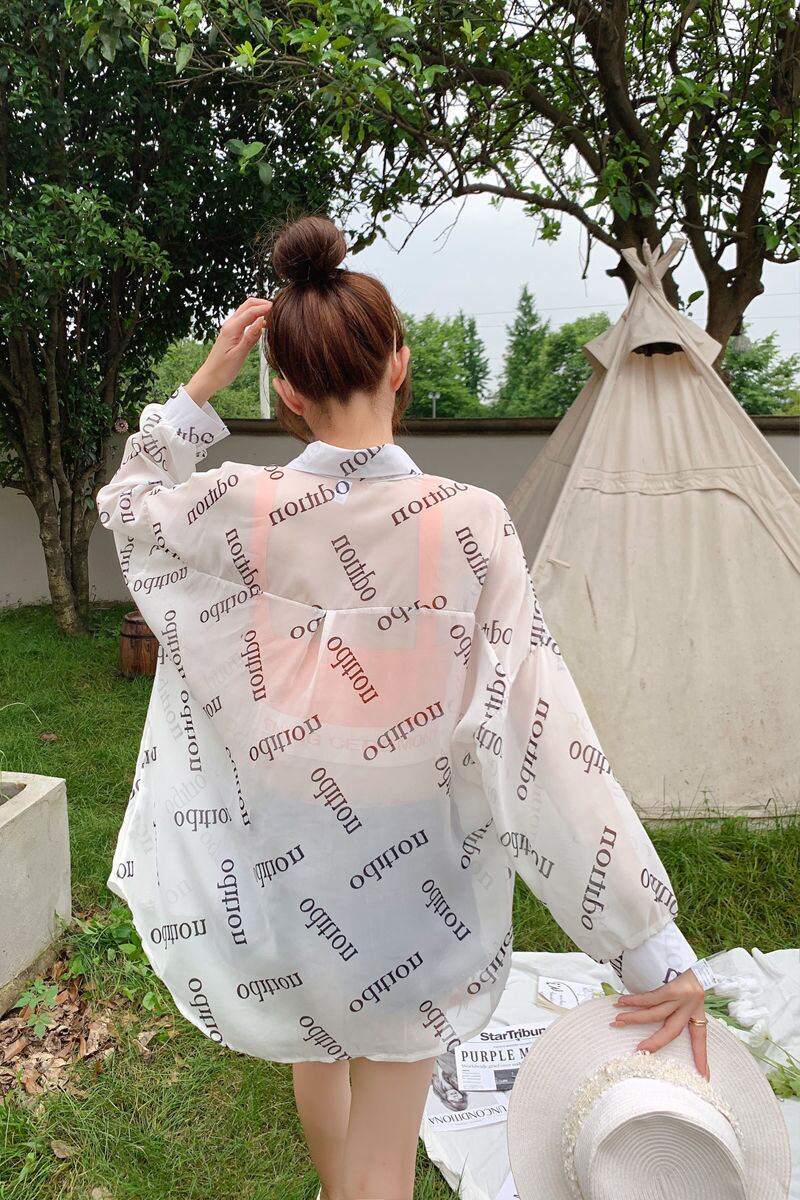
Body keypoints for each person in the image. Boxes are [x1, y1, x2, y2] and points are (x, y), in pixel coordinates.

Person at [95, 214, 710, 1200]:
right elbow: (538, 733)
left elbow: (128, 503)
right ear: (399, 363)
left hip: (286, 847)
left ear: (287, 393)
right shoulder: (468, 523)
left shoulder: (238, 505)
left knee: (314, 1047)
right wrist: (646, 944)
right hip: (417, 869)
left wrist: (198, 391)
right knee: (387, 1151)